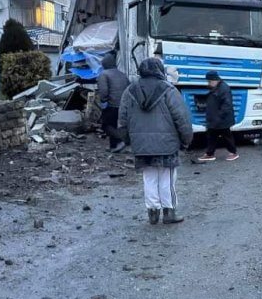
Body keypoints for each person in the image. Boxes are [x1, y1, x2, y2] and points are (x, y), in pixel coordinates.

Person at [118, 57, 194, 225]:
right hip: (167, 144)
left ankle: (153, 213)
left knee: (149, 177)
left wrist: (128, 140)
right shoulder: (169, 90)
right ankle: (169, 213)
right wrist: (187, 139)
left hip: (141, 145)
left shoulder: (130, 91)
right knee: (167, 179)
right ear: (160, 70)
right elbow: (181, 118)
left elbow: (122, 120)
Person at [198, 70, 238, 162]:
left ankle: (233, 152)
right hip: (217, 118)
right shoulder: (218, 87)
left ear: (215, 80)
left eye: (209, 81)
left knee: (226, 135)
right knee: (212, 135)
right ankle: (210, 153)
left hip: (221, 119)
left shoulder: (223, 88)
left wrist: (219, 116)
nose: (208, 83)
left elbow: (227, 105)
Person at [97, 52, 130, 153]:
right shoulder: (123, 74)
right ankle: (114, 146)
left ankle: (122, 140)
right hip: (125, 105)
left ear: (105, 63)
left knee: (106, 125)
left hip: (112, 105)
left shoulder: (104, 74)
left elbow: (103, 91)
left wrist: (103, 101)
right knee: (115, 125)